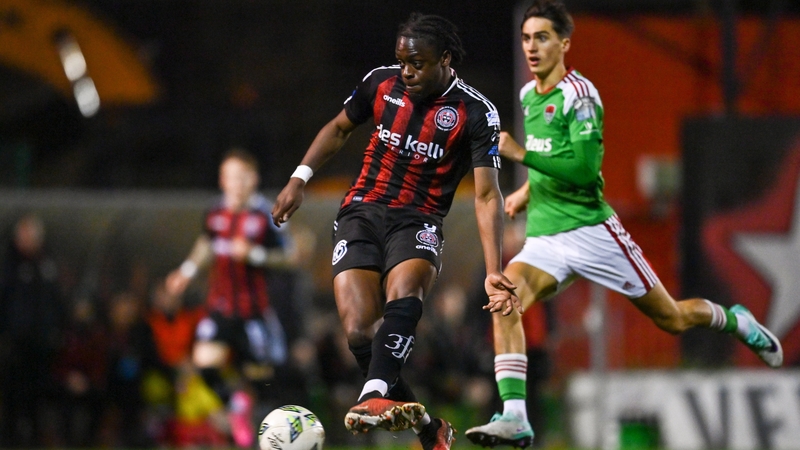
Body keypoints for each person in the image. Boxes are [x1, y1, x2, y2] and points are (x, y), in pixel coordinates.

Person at [464, 1, 784, 448]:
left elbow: (582, 169)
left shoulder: (580, 95)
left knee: (672, 317)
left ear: (564, 43)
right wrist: (527, 191)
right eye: (526, 38)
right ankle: (515, 416)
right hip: (546, 236)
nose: (532, 47)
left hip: (592, 233)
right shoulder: (528, 96)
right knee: (505, 300)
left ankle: (735, 320)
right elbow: (551, 158)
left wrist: (521, 155)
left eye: (542, 37)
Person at [271, 12, 518, 450]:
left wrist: (493, 269)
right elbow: (339, 127)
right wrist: (299, 178)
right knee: (359, 334)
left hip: (420, 218)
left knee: (405, 296)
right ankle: (429, 428)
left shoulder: (476, 112)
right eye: (402, 62)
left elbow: (486, 195)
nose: (407, 71)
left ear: (445, 59)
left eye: (417, 63)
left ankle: (371, 395)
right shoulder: (381, 83)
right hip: (361, 211)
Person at [165, 148, 292, 448]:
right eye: (230, 177)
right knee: (204, 363)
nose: (236, 183)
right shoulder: (215, 213)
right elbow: (207, 244)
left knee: (263, 376)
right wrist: (186, 271)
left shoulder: (267, 215)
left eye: (242, 176)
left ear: (253, 179)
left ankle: (265, 433)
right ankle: (236, 406)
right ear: (222, 180)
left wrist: (255, 254)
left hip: (254, 311)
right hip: (220, 306)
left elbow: (291, 256)